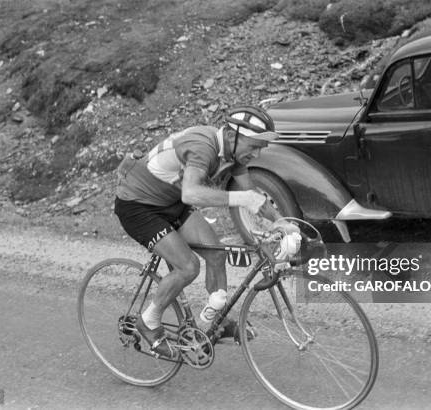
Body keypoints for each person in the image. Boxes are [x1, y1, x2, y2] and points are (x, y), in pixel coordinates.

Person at [114, 106, 299, 358]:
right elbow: (191, 193)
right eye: (253, 146)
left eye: (260, 148)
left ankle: (214, 322)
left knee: (217, 254)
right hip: (138, 205)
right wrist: (241, 199)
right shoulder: (204, 146)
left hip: (170, 203)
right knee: (188, 267)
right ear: (234, 136)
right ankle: (149, 321)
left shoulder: (234, 154)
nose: (256, 154)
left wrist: (281, 221)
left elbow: (252, 195)